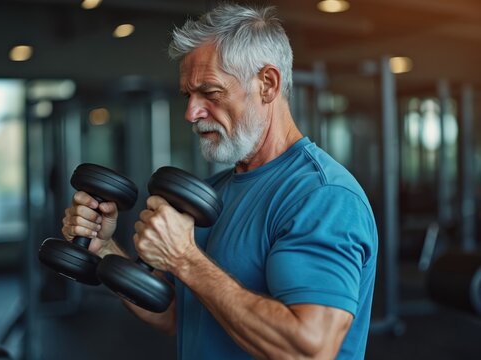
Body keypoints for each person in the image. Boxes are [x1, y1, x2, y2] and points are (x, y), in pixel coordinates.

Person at [62, 3, 378, 359]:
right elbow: (179, 318)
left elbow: (309, 350)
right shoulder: (212, 192)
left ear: (268, 84)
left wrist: (184, 259)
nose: (191, 113)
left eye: (209, 93)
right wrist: (104, 249)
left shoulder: (322, 197)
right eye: (188, 96)